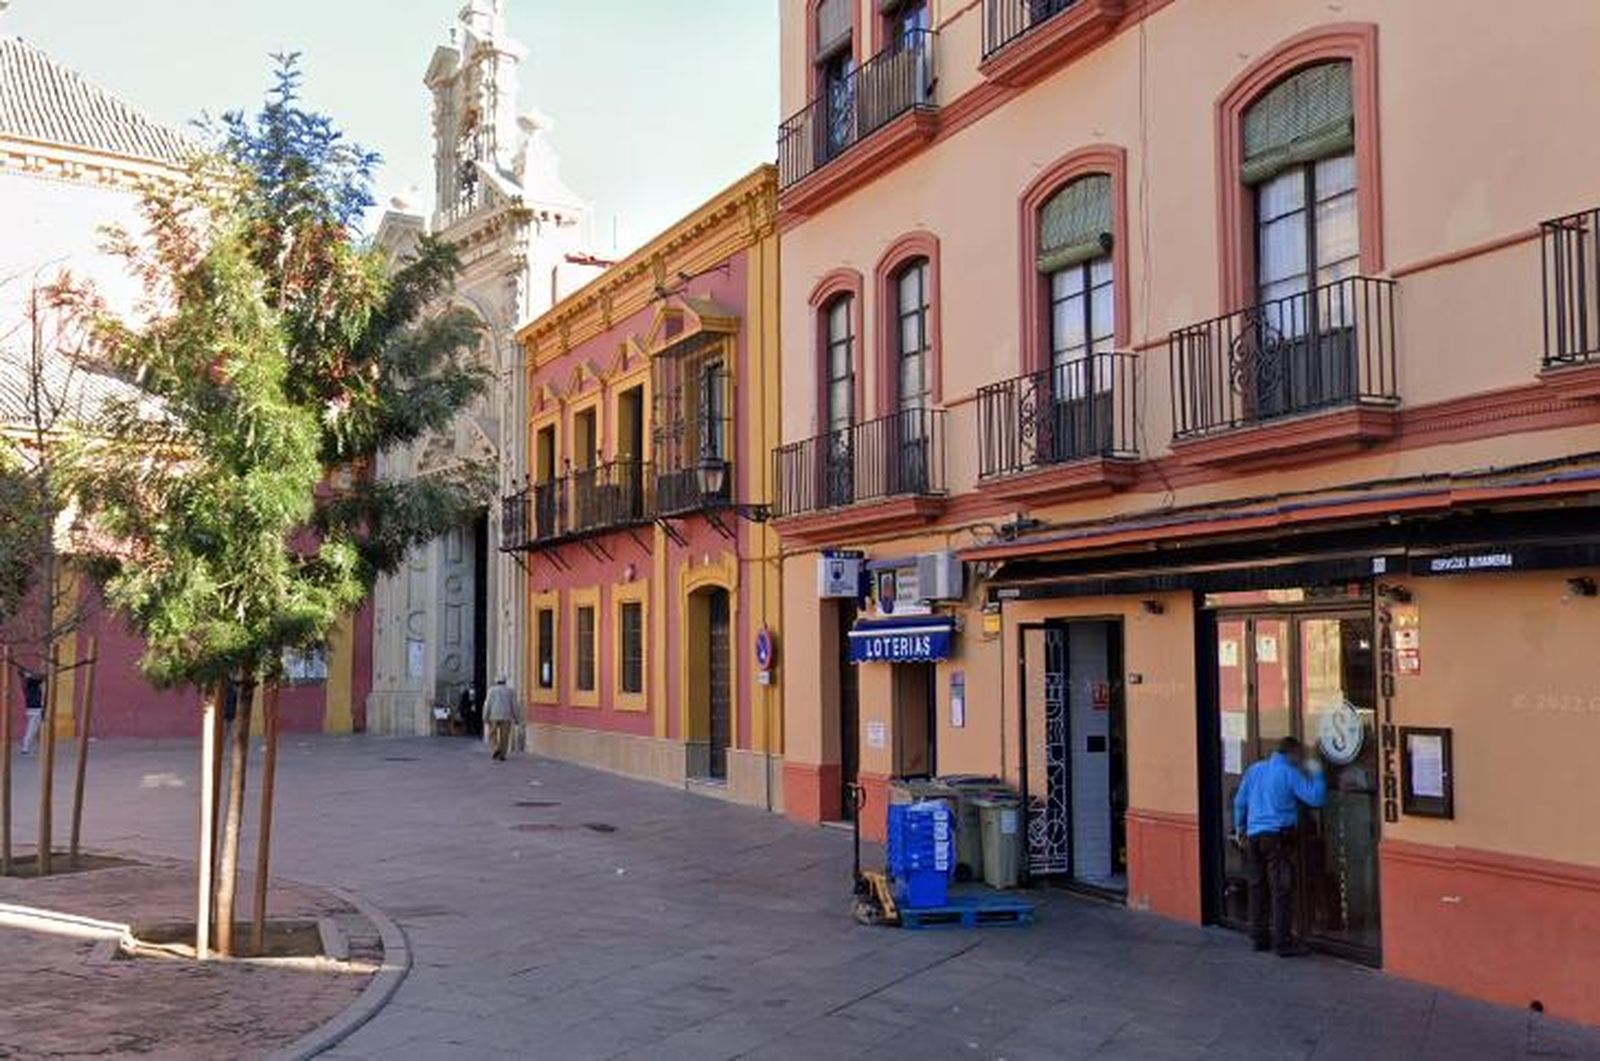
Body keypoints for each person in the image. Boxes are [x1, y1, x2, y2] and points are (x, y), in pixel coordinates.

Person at [1233, 736, 1326, 957]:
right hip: (1277, 838)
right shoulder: (1289, 773)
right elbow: (1316, 799)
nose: (1300, 760)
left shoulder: (1255, 770)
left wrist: (1239, 828)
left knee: (1258, 888)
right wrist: (1317, 772)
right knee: (1281, 889)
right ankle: (1283, 943)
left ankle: (1259, 938)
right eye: (1299, 755)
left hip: (1253, 837)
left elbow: (1239, 802)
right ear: (1292, 753)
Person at [482, 676, 519, 762]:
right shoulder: (510, 691)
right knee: (505, 736)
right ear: (505, 682)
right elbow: (514, 705)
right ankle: (502, 754)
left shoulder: (491, 690)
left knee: (492, 734)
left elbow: (487, 704)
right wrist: (516, 717)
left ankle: (496, 748)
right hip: (506, 716)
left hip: (494, 715)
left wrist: (485, 716)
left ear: (496, 682)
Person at [17, 665, 45, 755]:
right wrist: (43, 669)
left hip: (33, 708)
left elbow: (40, 678)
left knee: (34, 728)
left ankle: (28, 745)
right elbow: (41, 677)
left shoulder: (26, 681)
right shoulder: (30, 681)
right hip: (35, 708)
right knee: (32, 729)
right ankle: (25, 747)